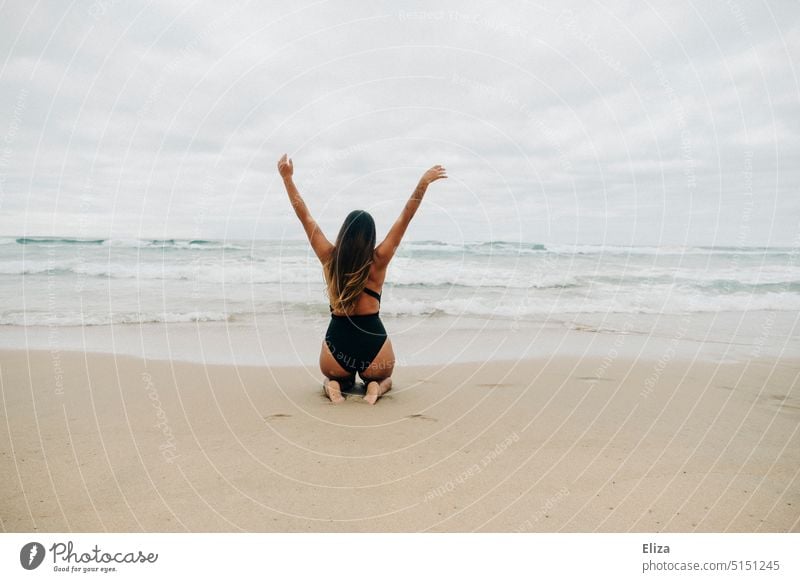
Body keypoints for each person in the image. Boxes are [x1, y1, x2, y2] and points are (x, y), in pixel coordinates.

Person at [277, 153, 447, 404]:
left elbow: (305, 216)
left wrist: (287, 179)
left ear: (344, 233)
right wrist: (423, 183)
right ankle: (375, 388)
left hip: (336, 348)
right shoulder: (379, 259)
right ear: (371, 236)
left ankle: (334, 386)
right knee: (382, 379)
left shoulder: (328, 257)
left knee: (335, 379)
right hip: (374, 346)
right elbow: (405, 217)